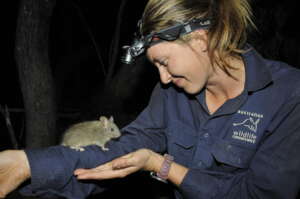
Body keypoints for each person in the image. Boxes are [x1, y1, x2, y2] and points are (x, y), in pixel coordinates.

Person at [1, 0, 300, 198]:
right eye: (156, 66)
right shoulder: (174, 92)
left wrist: (161, 165)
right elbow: (122, 149)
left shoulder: (288, 95)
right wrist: (28, 164)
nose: (163, 79)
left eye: (165, 62)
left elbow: (259, 193)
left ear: (200, 41)